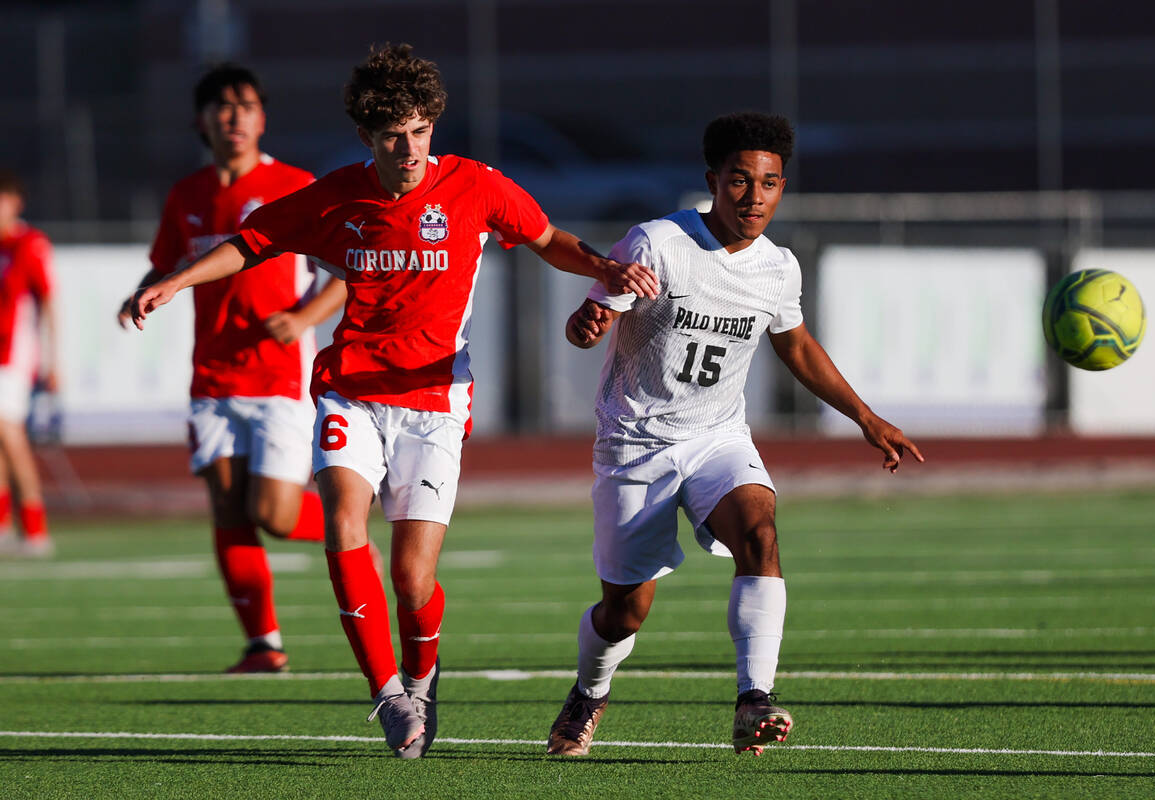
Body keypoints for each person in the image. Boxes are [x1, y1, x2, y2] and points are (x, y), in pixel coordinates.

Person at [129, 43, 659, 759]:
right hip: (350, 391)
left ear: (432, 125)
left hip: (435, 399)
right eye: (390, 137)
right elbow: (252, 243)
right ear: (366, 138)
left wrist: (604, 267)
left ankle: (421, 676)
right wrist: (173, 283)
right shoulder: (338, 194)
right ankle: (386, 694)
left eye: (417, 131)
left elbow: (545, 238)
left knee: (412, 578)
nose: (407, 149)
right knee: (344, 525)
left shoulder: (476, 186)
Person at [547, 112, 924, 757]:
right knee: (624, 613)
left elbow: (796, 345)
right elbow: (592, 317)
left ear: (783, 188)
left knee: (760, 531)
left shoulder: (778, 268)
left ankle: (754, 701)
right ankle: (590, 692)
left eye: (770, 183)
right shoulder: (657, 243)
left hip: (718, 438)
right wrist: (588, 324)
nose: (755, 197)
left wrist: (866, 418)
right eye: (740, 181)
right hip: (636, 445)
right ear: (712, 181)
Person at [118, 64, 350, 674]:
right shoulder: (187, 195)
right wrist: (142, 292)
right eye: (222, 107)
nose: (235, 117)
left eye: (246, 106)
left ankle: (351, 531)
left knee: (272, 512)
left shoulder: (295, 185)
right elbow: (167, 266)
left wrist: (304, 320)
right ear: (202, 121)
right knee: (227, 508)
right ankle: (263, 645)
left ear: (262, 118)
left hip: (280, 381)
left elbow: (347, 273)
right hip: (213, 380)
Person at [0, 169, 57, 559]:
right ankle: (3, 526)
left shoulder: (29, 243)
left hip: (12, 355)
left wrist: (53, 359)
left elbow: (49, 302)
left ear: (15, 203)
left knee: (10, 432)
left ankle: (36, 529)